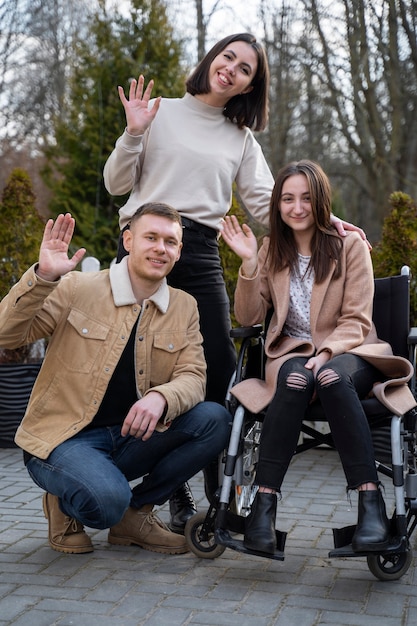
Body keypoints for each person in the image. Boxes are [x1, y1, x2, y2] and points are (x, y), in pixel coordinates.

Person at [103, 32, 369, 530]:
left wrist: (332, 222)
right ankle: (163, 495)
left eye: (245, 68)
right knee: (134, 369)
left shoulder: (240, 139)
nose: (232, 69)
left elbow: (275, 204)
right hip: (141, 244)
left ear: (250, 85)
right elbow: (116, 185)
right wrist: (134, 132)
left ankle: (212, 488)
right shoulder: (158, 111)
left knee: (215, 372)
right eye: (228, 57)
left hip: (199, 250)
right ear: (211, 59)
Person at [0, 204, 231, 555]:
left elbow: (194, 376)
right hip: (63, 439)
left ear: (179, 251)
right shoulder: (77, 287)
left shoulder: (184, 306)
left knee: (214, 419)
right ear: (128, 240)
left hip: (128, 438)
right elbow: (6, 335)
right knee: (105, 502)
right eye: (150, 237)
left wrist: (162, 398)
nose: (160, 248)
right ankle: (64, 501)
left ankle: (134, 515)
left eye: (170, 241)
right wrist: (43, 278)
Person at [221, 160, 417, 555]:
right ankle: (263, 508)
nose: (297, 208)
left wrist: (327, 352)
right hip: (291, 353)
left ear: (320, 201)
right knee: (297, 379)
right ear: (277, 204)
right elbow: (249, 318)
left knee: (328, 376)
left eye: (306, 198)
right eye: (288, 199)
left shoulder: (350, 246)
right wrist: (247, 263)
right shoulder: (270, 249)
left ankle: (370, 506)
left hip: (352, 350)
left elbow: (358, 319)